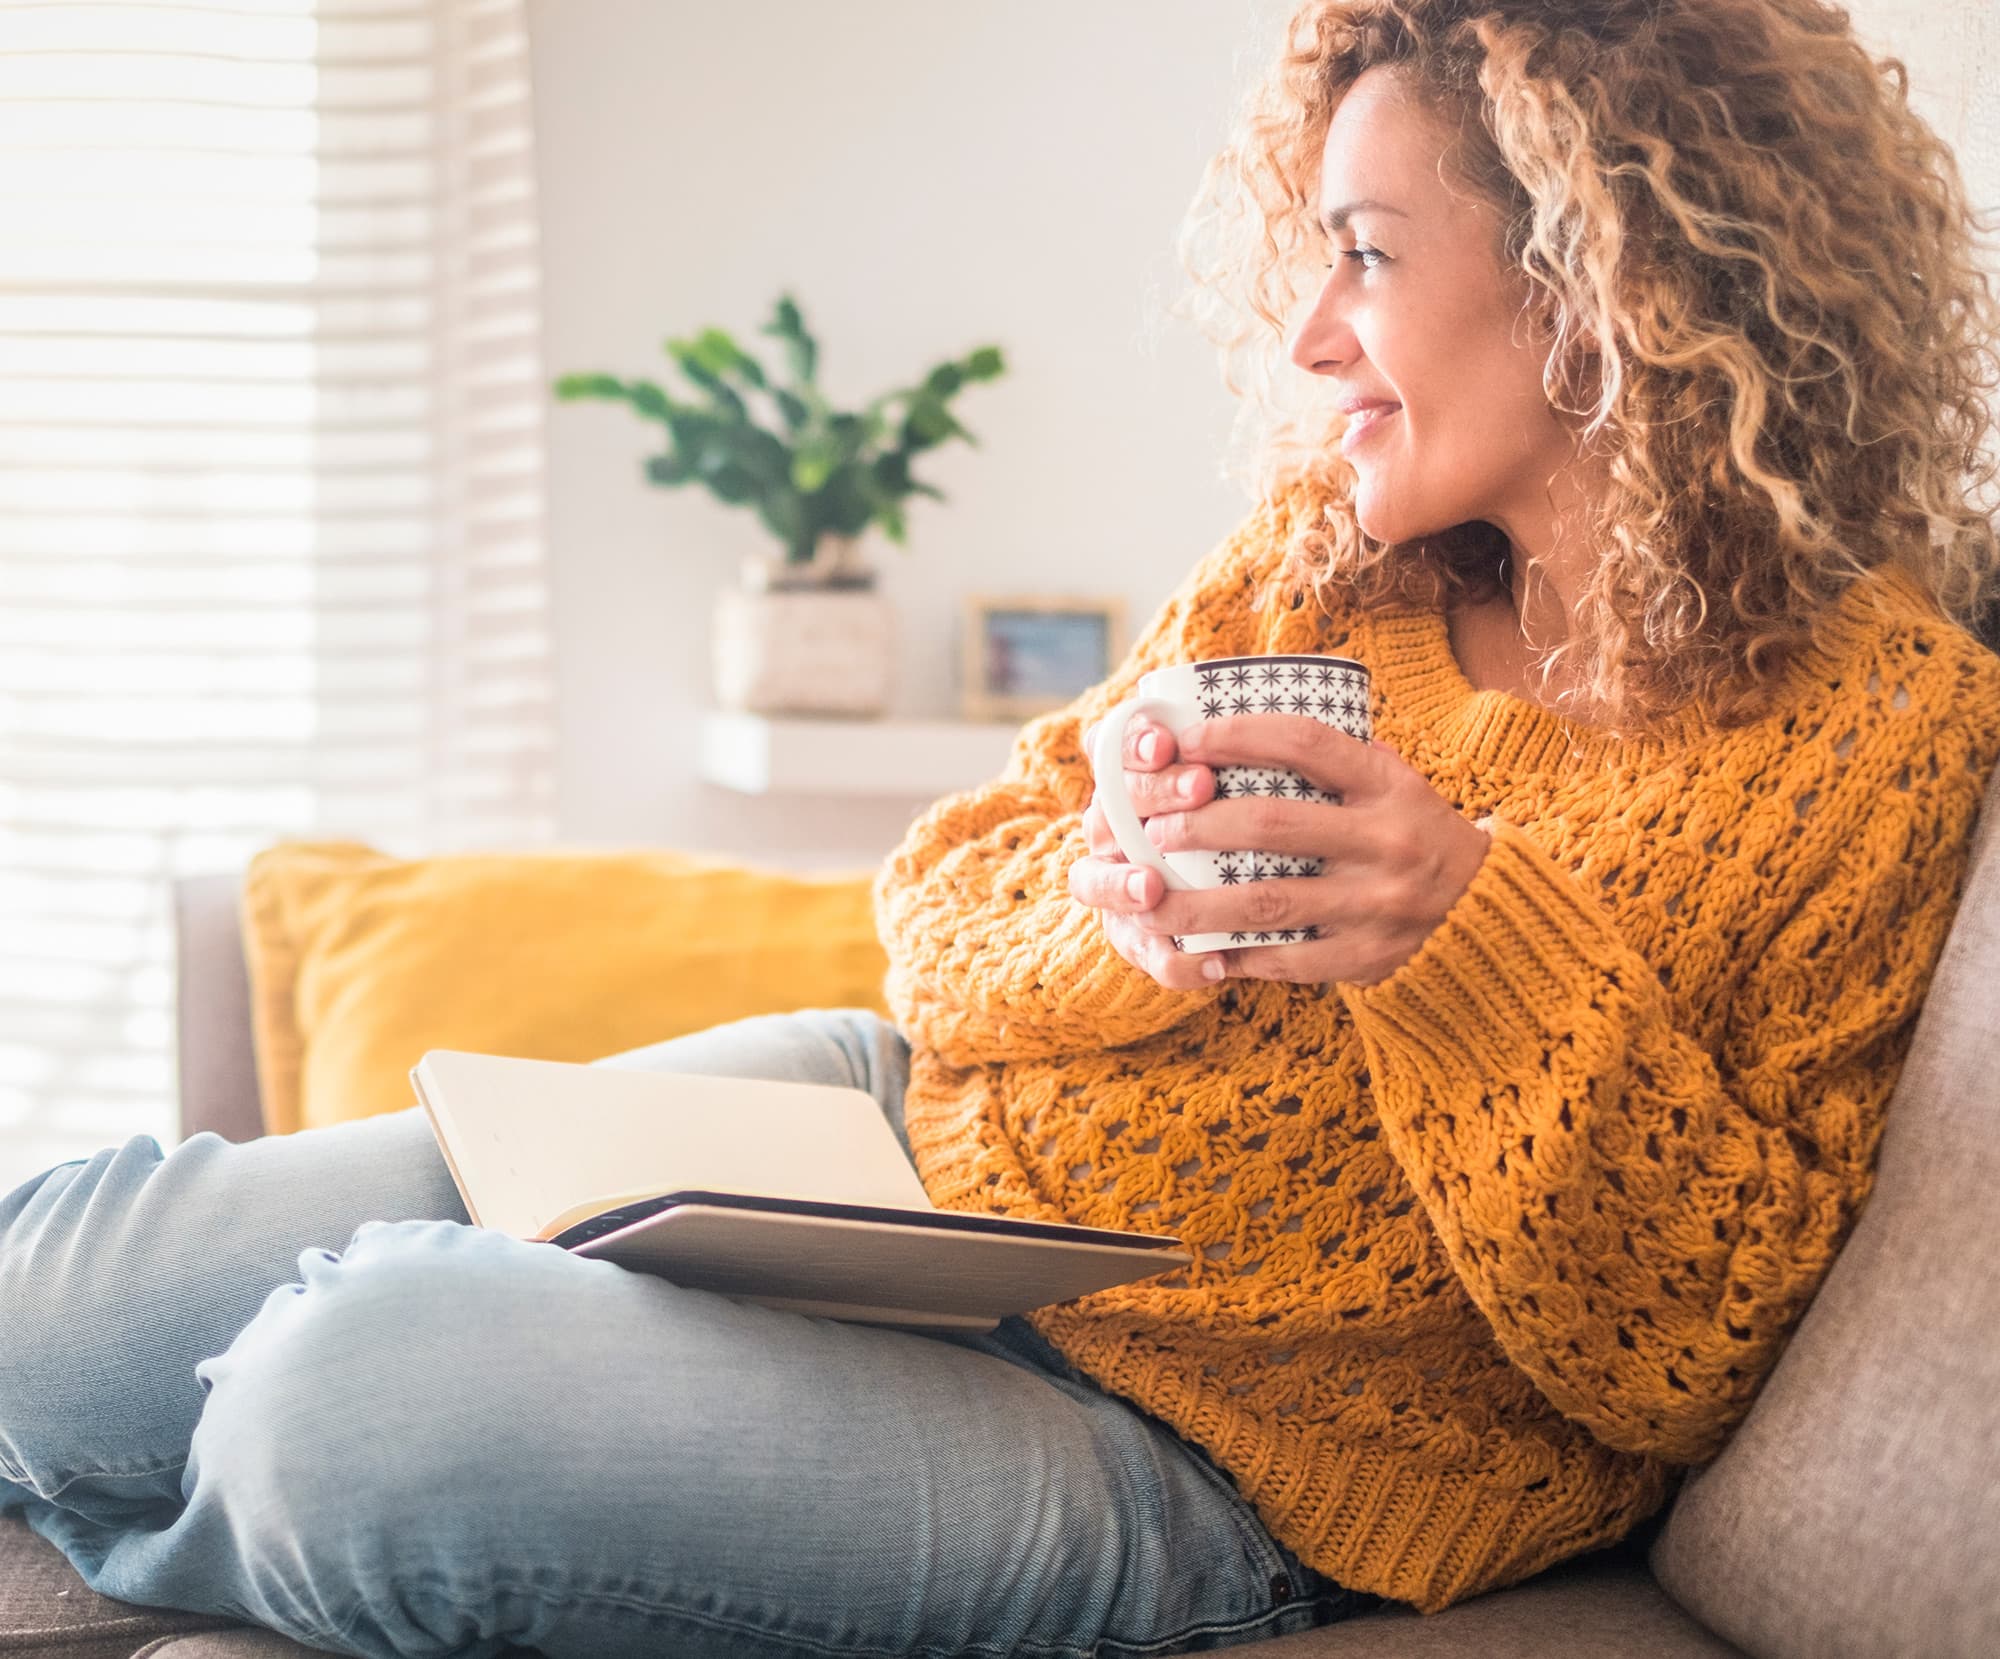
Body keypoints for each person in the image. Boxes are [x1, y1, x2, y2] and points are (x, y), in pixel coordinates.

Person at [6, 1, 2000, 1654]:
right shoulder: (1330, 564)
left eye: (1368, 256)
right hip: (884, 1137)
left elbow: (1695, 1351)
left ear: (1607, 281)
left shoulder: (1881, 726)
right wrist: (1107, 896)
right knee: (57, 1285)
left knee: (346, 1393)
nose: (1309, 335)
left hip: (1211, 1448)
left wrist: (1459, 936)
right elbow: (939, 901)